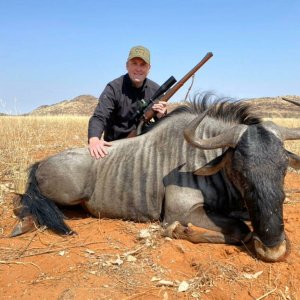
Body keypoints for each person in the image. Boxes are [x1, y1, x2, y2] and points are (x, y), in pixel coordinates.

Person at [88, 45, 167, 159]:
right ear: (127, 65)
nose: (138, 69)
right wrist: (94, 139)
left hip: (144, 148)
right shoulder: (113, 88)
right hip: (115, 148)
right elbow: (100, 116)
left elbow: (162, 126)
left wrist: (162, 115)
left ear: (149, 68)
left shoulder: (156, 90)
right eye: (134, 63)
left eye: (143, 65)